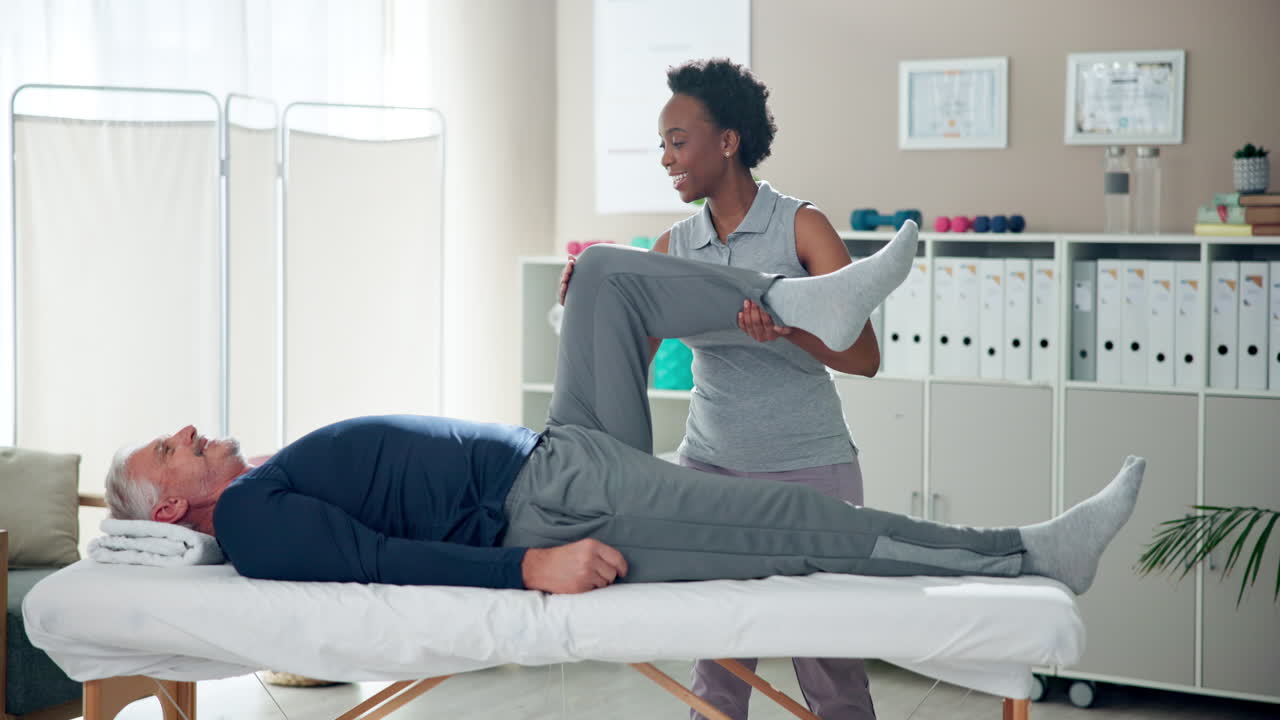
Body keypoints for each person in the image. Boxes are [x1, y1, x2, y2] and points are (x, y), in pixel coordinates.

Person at [104, 233, 1144, 618]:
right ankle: (1024, 554)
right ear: (176, 504)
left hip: (560, 449)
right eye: (170, 446)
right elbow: (379, 560)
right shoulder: (248, 523)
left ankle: (798, 306)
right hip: (556, 504)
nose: (189, 430)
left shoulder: (263, 482)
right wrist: (528, 573)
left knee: (600, 274)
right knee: (788, 523)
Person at [558, 57, 884, 719]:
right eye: (662, 146)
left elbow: (865, 356)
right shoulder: (672, 247)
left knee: (830, 671)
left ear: (728, 141)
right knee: (718, 667)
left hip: (809, 469)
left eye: (678, 141)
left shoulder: (802, 226)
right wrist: (585, 302)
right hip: (710, 473)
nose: (667, 158)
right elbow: (622, 358)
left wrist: (789, 329)